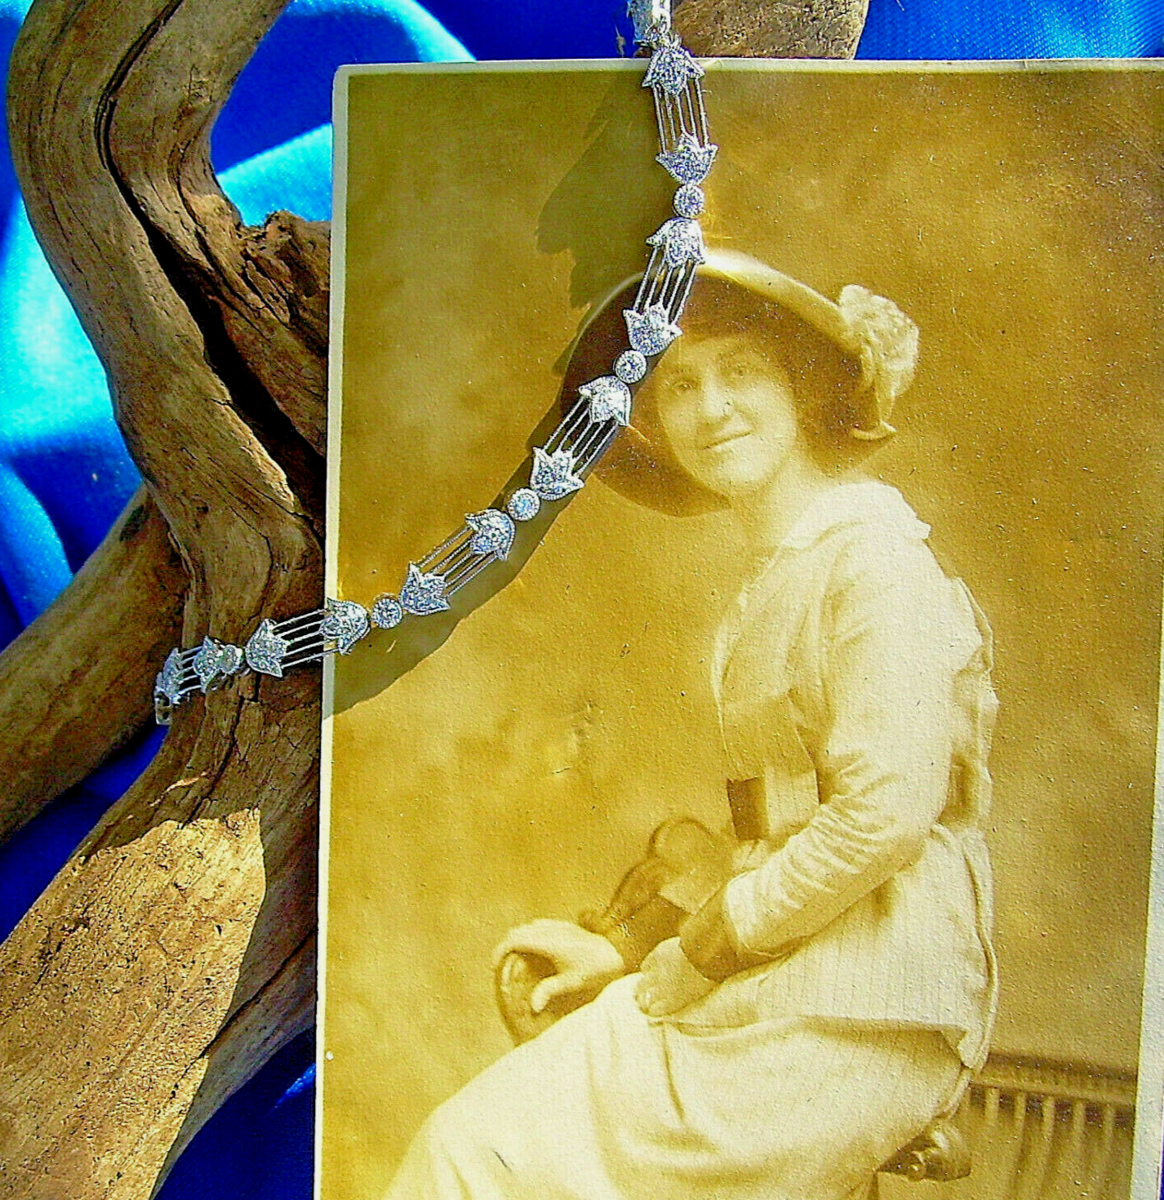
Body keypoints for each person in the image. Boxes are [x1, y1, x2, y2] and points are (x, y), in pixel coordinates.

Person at [385, 250, 999, 1200]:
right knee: (467, 1150)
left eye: (741, 372)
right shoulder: (776, 581)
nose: (711, 409)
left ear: (801, 390)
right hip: (770, 988)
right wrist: (628, 949)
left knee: (473, 1160)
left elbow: (882, 818)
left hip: (864, 1010)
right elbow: (777, 824)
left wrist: (695, 953)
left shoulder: (877, 562)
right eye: (678, 384)